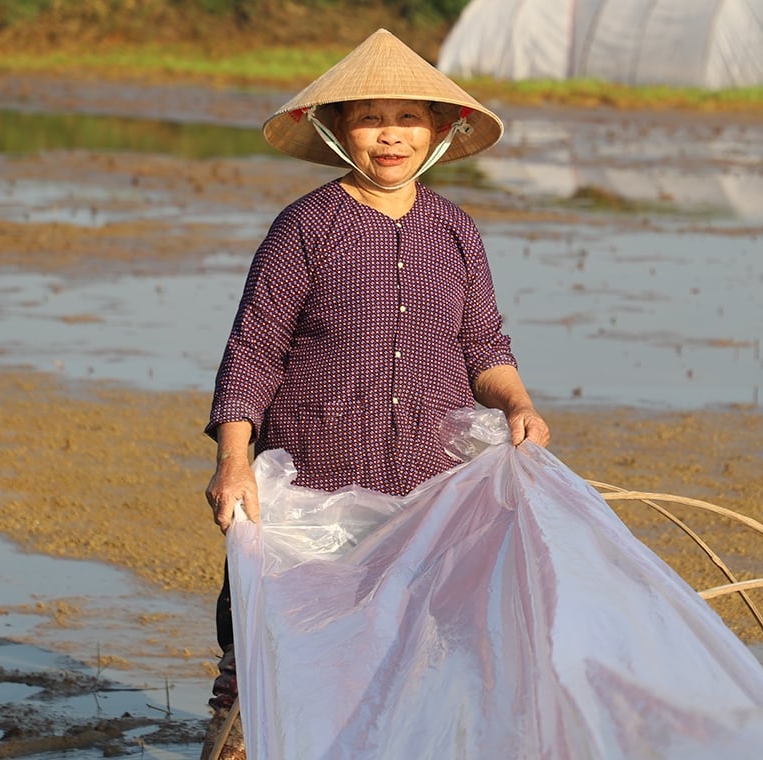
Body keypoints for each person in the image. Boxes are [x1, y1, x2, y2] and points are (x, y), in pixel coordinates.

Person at [199, 28, 549, 759]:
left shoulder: (456, 231)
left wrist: (517, 405)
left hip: (429, 488)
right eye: (370, 118)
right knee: (266, 663)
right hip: (313, 485)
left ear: (440, 129)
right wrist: (234, 460)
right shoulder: (305, 228)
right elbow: (254, 350)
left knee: (417, 655)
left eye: (408, 118)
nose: (390, 136)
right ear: (336, 129)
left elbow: (483, 345)